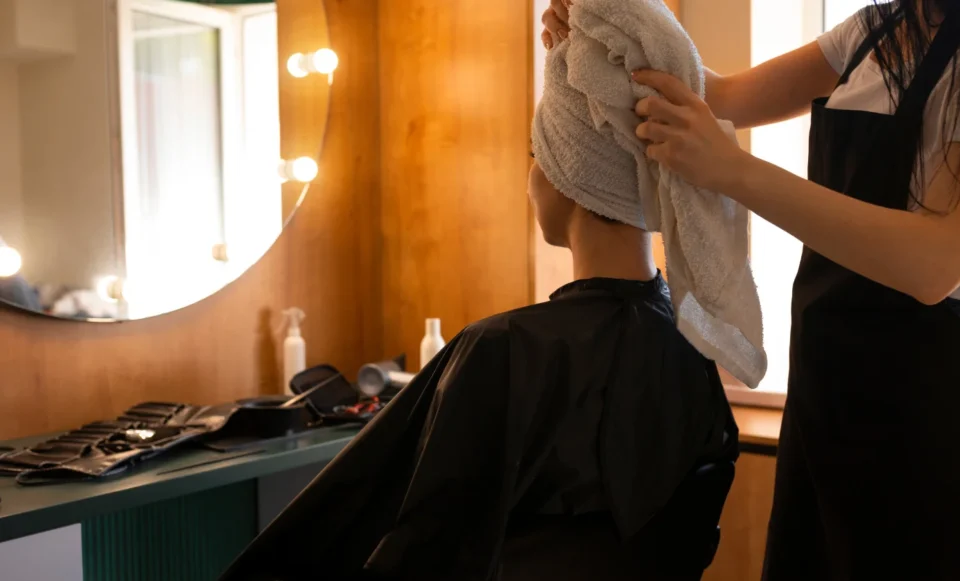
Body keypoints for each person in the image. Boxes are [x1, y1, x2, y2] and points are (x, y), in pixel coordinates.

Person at [220, 2, 742, 579]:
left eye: (534, 156)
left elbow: (417, 546)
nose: (530, 180)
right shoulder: (697, 341)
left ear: (566, 175)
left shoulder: (503, 349)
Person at [541, 0, 960, 578]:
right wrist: (610, 25)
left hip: (928, 419)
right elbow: (717, 95)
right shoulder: (875, 30)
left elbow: (933, 264)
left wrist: (733, 171)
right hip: (825, 395)